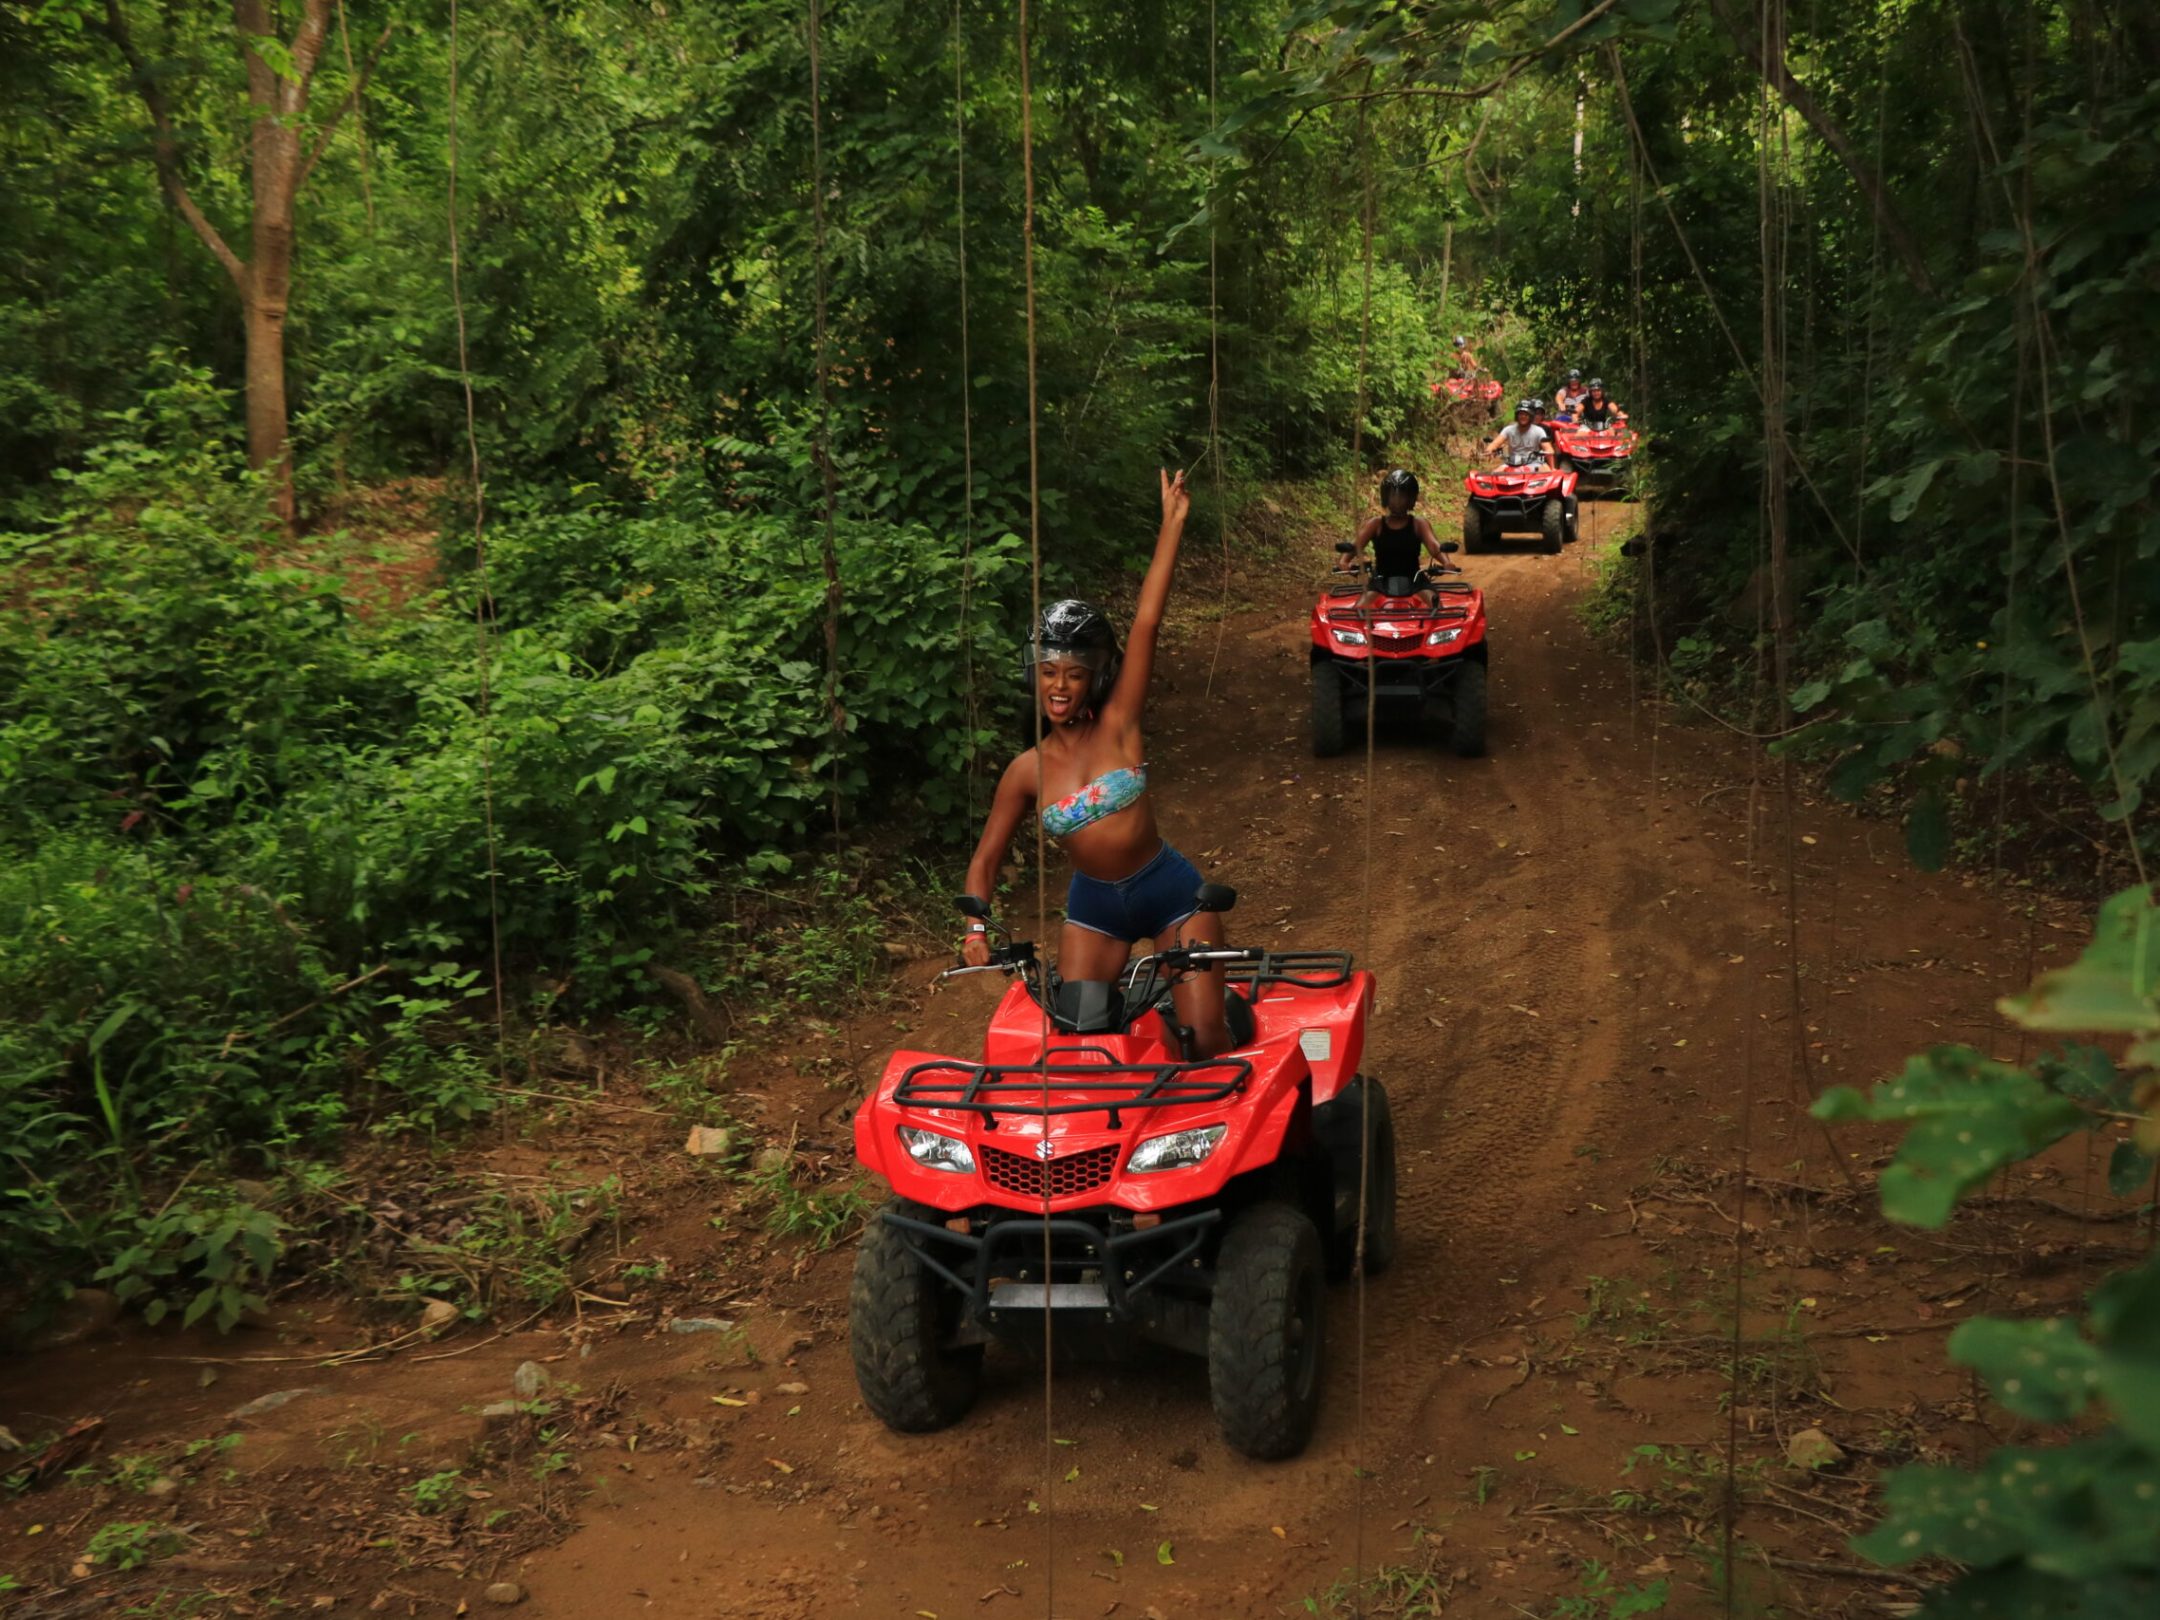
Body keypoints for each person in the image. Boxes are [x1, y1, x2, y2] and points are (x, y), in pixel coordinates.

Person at [959, 470, 1235, 1058]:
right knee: (1079, 1040)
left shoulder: (1120, 723)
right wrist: (975, 929)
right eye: (1050, 672)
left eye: (1075, 673)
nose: (1060, 686)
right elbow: (985, 859)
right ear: (1035, 677)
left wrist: (1172, 526)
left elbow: (1146, 624)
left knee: (1205, 1039)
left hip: (1172, 894)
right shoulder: (1025, 771)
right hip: (1093, 908)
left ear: (1095, 677)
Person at [1339, 469, 1451, 609]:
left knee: (1438, 608)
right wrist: (1344, 561)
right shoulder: (1375, 524)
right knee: (1357, 612)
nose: (1397, 500)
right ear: (1386, 497)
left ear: (1410, 498)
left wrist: (1446, 562)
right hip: (1380, 582)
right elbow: (1356, 545)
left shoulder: (1419, 524)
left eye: (1402, 495)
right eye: (1393, 495)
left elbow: (1434, 546)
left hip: (1415, 581)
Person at [1484, 401, 1554, 469]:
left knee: (1549, 474)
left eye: (1526, 415)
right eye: (1521, 414)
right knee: (1495, 475)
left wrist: (1549, 454)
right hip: (1511, 463)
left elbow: (1547, 448)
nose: (1523, 417)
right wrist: (1490, 449)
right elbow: (1496, 443)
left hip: (1534, 463)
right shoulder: (1508, 430)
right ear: (1517, 416)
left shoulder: (1538, 431)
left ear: (1531, 416)